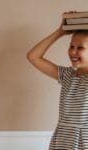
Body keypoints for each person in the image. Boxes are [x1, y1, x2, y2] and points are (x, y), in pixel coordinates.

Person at [27, 12, 88, 149]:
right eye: (71, 46)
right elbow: (33, 57)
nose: (73, 52)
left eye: (80, 48)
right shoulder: (67, 75)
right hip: (63, 138)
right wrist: (60, 32)